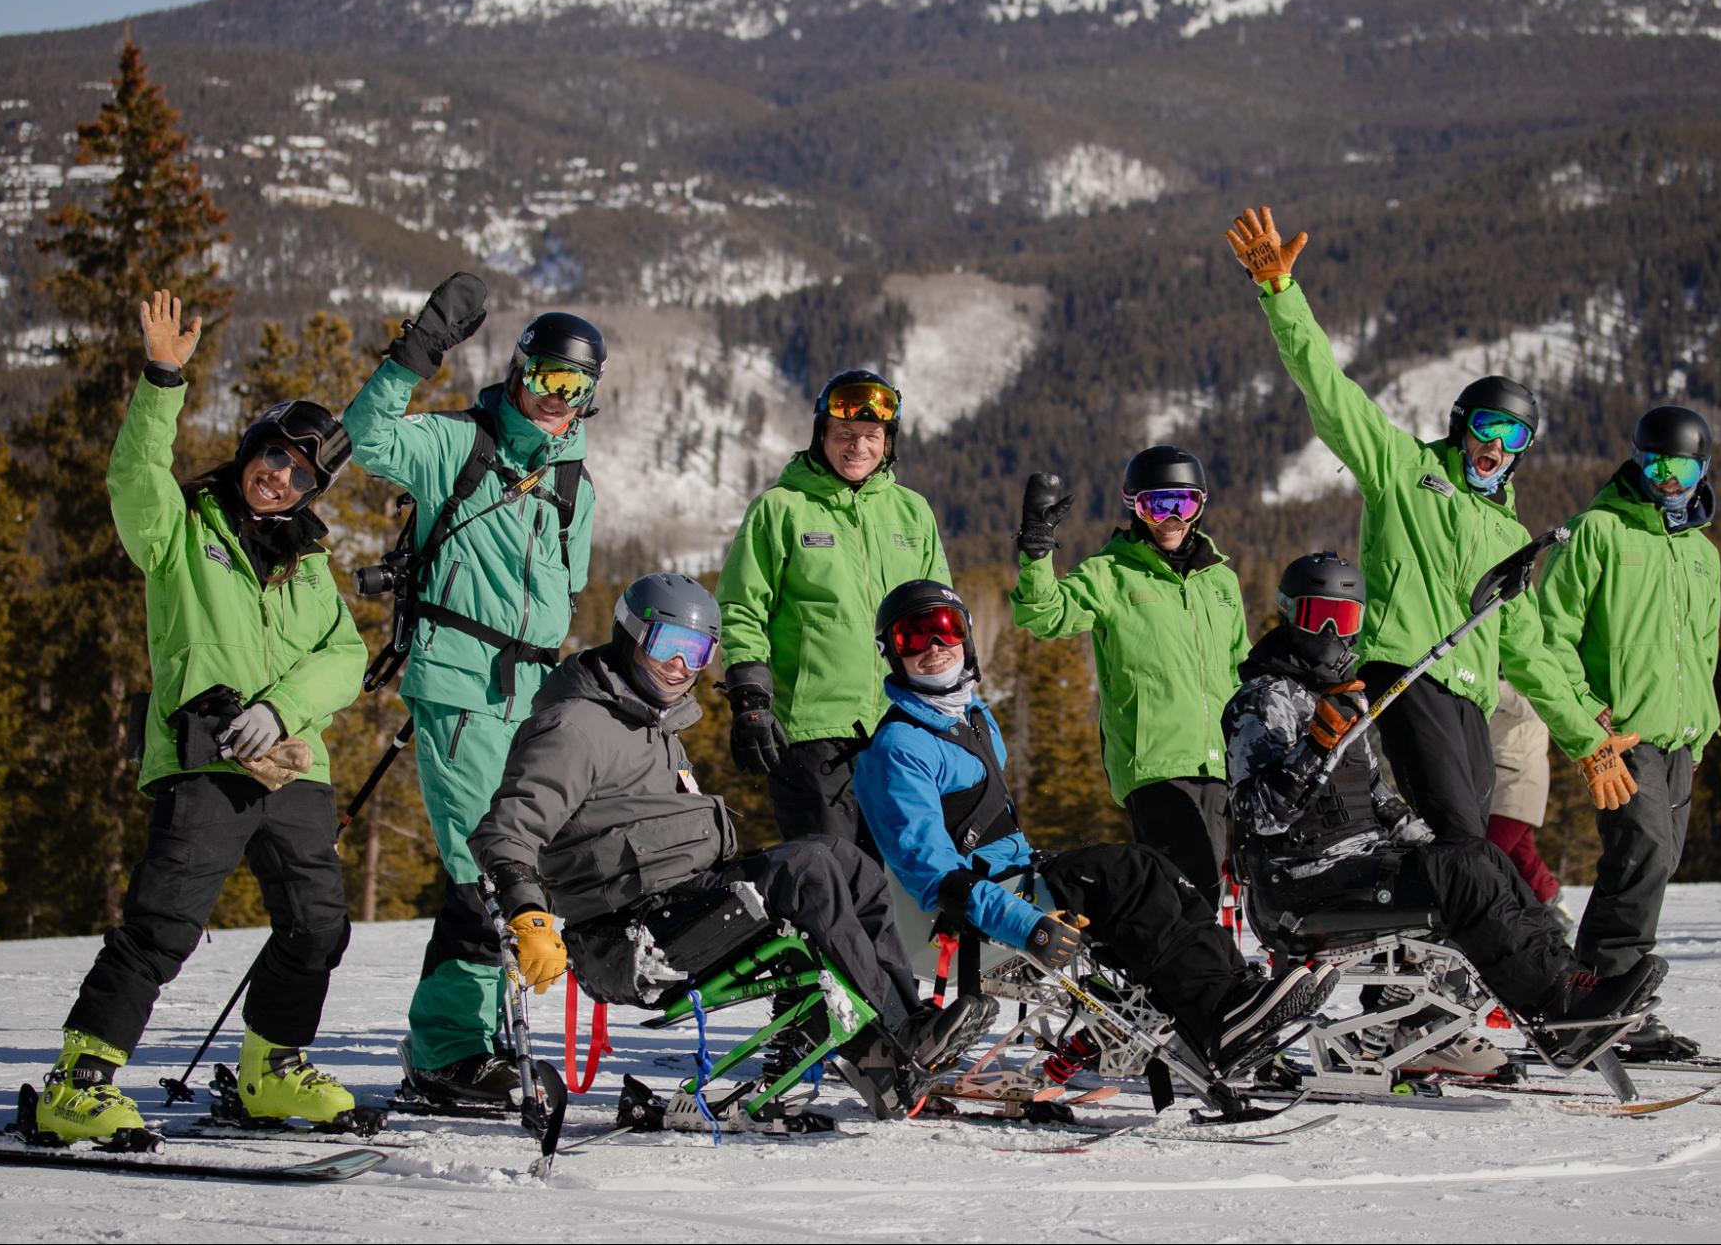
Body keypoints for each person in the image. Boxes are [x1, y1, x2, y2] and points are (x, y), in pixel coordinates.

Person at [468, 573, 994, 1119]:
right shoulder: (575, 726)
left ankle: (899, 1034)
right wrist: (527, 912)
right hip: (627, 936)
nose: (680, 665)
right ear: (630, 637)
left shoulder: (649, 722)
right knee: (808, 867)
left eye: (696, 650)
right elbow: (507, 828)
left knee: (847, 861)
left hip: (680, 903)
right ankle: (895, 1036)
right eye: (666, 645)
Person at [37, 291, 367, 1145]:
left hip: (292, 763)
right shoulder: (182, 528)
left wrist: (279, 707)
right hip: (203, 757)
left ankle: (272, 1069)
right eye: (275, 457)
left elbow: (344, 658)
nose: (281, 477)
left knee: (319, 925)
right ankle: (80, 1081)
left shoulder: (309, 565)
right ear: (252, 447)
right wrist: (162, 380)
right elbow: (133, 477)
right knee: (164, 922)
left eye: (302, 473)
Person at [1225, 205, 1638, 845]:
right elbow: (1329, 392)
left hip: (1471, 699)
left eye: (1513, 435)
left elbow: (1527, 649)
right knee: (1458, 836)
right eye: (1486, 427)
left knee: (1465, 837)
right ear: (1460, 426)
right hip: (1407, 673)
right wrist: (1281, 293)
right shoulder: (1403, 469)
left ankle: (1436, 944)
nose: (1495, 445)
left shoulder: (1508, 536)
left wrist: (1587, 739)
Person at [853, 580, 1331, 1080]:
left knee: (1163, 874)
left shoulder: (971, 717)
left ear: (966, 638)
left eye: (944, 630)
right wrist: (1026, 924)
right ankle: (1219, 1017)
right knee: (1129, 875)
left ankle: (1232, 1002)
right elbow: (934, 876)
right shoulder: (897, 749)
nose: (933, 648)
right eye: (913, 637)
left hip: (1009, 881)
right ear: (892, 653)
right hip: (963, 917)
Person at [1222, 551, 1668, 1069]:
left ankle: (1566, 986)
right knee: (1464, 873)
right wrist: (1315, 748)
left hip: (1356, 867)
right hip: (1298, 885)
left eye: (1342, 618)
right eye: (1315, 614)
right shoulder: (1261, 700)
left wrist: (1434, 847)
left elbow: (1376, 796)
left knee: (1480, 858)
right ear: (1288, 614)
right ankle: (1557, 1009)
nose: (1328, 631)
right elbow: (1258, 817)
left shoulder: (1343, 698)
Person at [342, 273, 601, 1107]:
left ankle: (473, 1042)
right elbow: (366, 436)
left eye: (574, 385)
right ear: (519, 369)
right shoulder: (458, 445)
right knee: (482, 867)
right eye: (545, 376)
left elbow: (569, 591)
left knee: (513, 865)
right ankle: (448, 1050)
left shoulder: (574, 486)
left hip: (534, 694)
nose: (555, 396)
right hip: (457, 682)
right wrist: (418, 348)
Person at [1537, 406, 1721, 1061]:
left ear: (1702, 470)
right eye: (1655, 465)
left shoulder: (1701, 553)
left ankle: (1605, 997)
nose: (1667, 479)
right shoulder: (1597, 532)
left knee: (1656, 861)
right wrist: (1589, 718)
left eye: (1681, 468)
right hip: (1622, 733)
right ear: (1636, 460)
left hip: (1679, 736)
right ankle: (1603, 993)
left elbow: (1700, 649)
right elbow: (1547, 633)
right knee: (1639, 855)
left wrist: (1700, 732)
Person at [716, 369, 950, 852]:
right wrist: (750, 700)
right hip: (812, 733)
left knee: (903, 892)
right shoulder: (780, 509)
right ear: (822, 434)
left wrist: (954, 706)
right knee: (832, 883)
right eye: (844, 434)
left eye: (871, 436)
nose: (857, 447)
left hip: (904, 729)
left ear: (888, 442)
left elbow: (942, 618)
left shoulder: (912, 512)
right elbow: (741, 607)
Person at [1007, 447, 1250, 909]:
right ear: (1134, 506)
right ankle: (1194, 979)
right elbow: (1042, 615)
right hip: (1154, 763)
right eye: (1157, 504)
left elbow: (1241, 668)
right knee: (1187, 891)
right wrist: (1037, 547)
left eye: (1185, 503)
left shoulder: (1222, 583)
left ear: (1201, 505)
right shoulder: (1110, 574)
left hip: (1219, 764)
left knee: (1207, 894)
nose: (1172, 518)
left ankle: (1202, 976)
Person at [1487, 680, 1577, 937]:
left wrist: (1483, 677)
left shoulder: (1533, 686)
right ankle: (1555, 914)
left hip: (1519, 781)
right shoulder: (1509, 684)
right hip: (1503, 777)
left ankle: (1499, 917)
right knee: (1522, 854)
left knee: (1490, 854)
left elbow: (1525, 706)